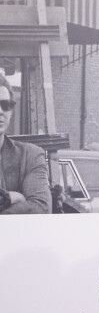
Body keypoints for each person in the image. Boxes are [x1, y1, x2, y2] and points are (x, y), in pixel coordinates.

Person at [0, 73, 51, 214]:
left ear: (11, 111)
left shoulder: (30, 156)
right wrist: (9, 198)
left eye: (5, 105)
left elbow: (41, 207)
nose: (0, 111)